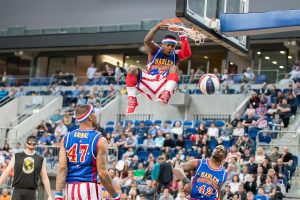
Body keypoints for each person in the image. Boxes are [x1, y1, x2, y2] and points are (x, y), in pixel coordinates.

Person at [55, 104, 120, 200]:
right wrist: (115, 195)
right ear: (90, 117)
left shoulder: (66, 138)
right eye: (94, 113)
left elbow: (62, 168)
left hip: (71, 189)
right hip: (90, 188)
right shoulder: (99, 139)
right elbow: (102, 174)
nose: (96, 115)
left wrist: (58, 194)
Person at [125, 20, 191, 114]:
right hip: (150, 80)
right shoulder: (155, 50)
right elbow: (147, 40)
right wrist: (157, 27)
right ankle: (132, 100)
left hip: (164, 85)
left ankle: (166, 94)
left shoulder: (176, 54)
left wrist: (183, 36)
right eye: (168, 45)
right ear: (162, 44)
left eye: (172, 46)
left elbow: (187, 53)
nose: (170, 48)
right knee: (132, 70)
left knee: (174, 68)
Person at [0, 136, 52, 200]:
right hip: (17, 190)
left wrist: (50, 195)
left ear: (36, 144)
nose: (31, 145)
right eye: (29, 143)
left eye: (33, 144)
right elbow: (6, 171)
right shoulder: (17, 156)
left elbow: (45, 178)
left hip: (32, 191)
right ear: (26, 143)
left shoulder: (41, 159)